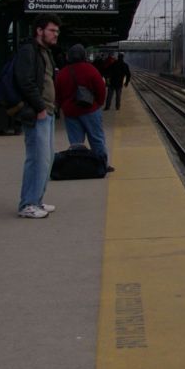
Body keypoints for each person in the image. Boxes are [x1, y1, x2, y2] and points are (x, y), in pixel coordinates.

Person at [14, 13, 61, 219]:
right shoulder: (28, 51)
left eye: (57, 31)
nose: (55, 35)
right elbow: (25, 82)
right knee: (37, 159)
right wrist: (40, 107)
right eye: (52, 30)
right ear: (39, 31)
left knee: (47, 159)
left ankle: (37, 200)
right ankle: (28, 204)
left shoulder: (45, 52)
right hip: (37, 113)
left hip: (48, 112)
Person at [55, 44, 114, 173]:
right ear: (83, 55)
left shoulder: (63, 73)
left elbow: (58, 94)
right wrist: (98, 104)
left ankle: (78, 165)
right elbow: (101, 89)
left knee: (76, 142)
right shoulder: (91, 70)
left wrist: (62, 107)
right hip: (90, 110)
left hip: (70, 112)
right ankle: (102, 164)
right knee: (97, 138)